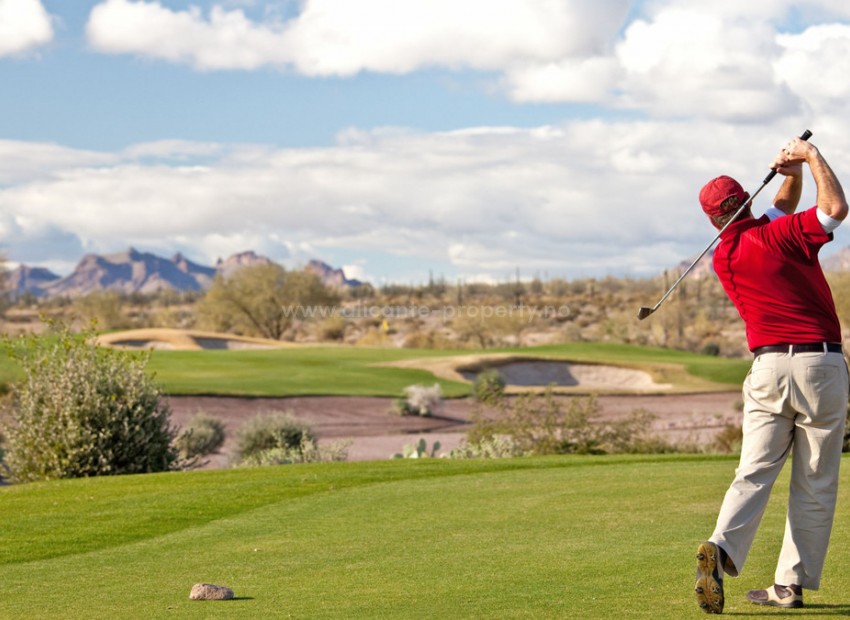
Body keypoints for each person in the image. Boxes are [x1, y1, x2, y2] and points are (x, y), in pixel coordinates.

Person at [693, 136, 850, 614]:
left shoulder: (727, 253)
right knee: (815, 479)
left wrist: (791, 175)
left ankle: (721, 548)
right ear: (746, 200)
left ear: (715, 220)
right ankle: (790, 586)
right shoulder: (784, 236)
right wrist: (810, 157)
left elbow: (780, 213)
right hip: (818, 366)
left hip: (767, 370)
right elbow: (836, 208)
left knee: (754, 471)